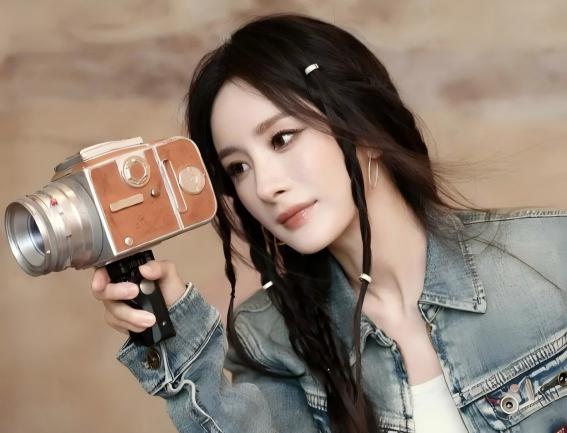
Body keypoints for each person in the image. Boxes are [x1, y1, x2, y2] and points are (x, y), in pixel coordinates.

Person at [90, 14, 567, 433]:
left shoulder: (551, 257)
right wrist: (174, 332)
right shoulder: (273, 339)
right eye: (238, 167)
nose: (265, 187)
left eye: (282, 138)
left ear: (362, 127)